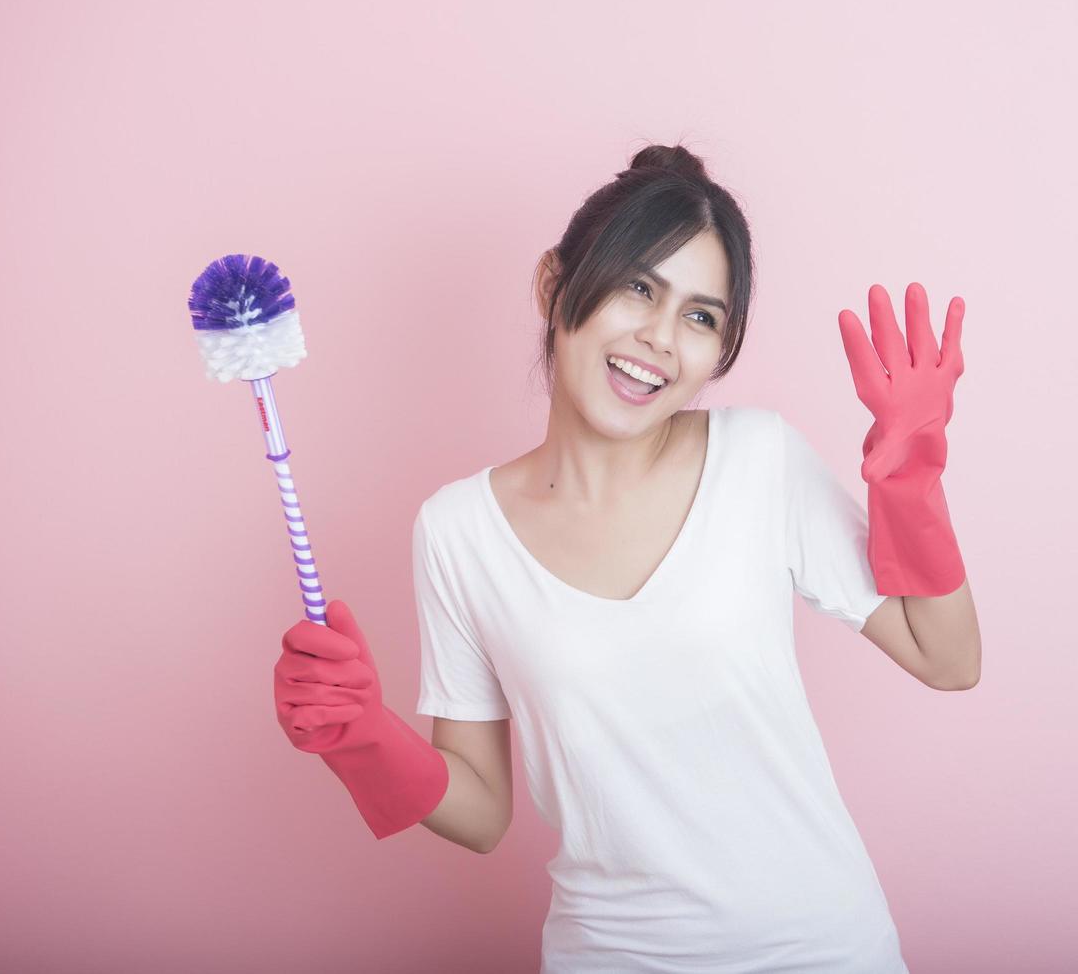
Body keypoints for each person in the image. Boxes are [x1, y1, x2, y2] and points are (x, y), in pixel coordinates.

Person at [274, 143, 981, 972]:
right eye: (638, 287)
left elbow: (949, 658)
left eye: (700, 315)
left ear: (719, 351)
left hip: (825, 949)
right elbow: (482, 811)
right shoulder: (458, 531)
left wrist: (914, 478)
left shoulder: (758, 460)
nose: (658, 337)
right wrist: (361, 737)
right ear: (553, 285)